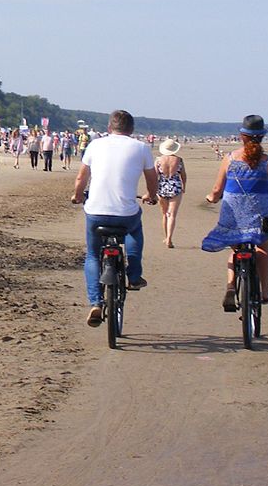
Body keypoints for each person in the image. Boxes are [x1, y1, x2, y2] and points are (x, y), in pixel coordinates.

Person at [71, 110, 158, 327]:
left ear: (110, 127)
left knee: (92, 255)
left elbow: (82, 176)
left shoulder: (95, 145)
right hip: (125, 214)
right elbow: (152, 178)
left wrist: (78, 195)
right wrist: (152, 196)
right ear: (131, 130)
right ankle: (134, 275)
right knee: (134, 228)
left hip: (96, 211)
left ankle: (96, 303)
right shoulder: (141, 147)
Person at [202, 115, 268, 309]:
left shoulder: (230, 159)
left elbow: (217, 190)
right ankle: (265, 291)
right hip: (257, 214)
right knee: (262, 247)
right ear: (262, 137)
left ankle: (231, 286)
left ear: (242, 136)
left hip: (232, 214)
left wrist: (211, 197)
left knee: (235, 248)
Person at [155, 138, 187, 248]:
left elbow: (155, 176)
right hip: (175, 186)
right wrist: (184, 186)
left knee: (165, 214)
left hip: (162, 185)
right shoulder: (179, 160)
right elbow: (183, 175)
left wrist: (153, 190)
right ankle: (169, 238)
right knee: (172, 214)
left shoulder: (159, 159)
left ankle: (166, 237)